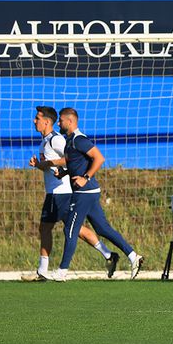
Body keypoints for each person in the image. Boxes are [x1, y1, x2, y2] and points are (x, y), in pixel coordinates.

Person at [25, 105, 118, 281]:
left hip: (63, 193)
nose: (34, 121)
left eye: (37, 118)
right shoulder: (44, 141)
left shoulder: (56, 140)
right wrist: (40, 165)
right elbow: (57, 164)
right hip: (52, 193)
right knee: (46, 228)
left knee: (75, 230)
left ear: (47, 122)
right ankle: (43, 271)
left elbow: (70, 160)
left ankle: (108, 255)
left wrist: (49, 164)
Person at [50, 107, 143, 280]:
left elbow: (99, 158)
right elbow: (76, 163)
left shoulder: (79, 139)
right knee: (102, 229)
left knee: (70, 229)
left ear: (70, 121)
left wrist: (85, 177)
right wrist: (63, 173)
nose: (59, 123)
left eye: (61, 120)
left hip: (84, 192)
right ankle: (133, 257)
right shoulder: (69, 141)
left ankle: (62, 271)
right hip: (89, 192)